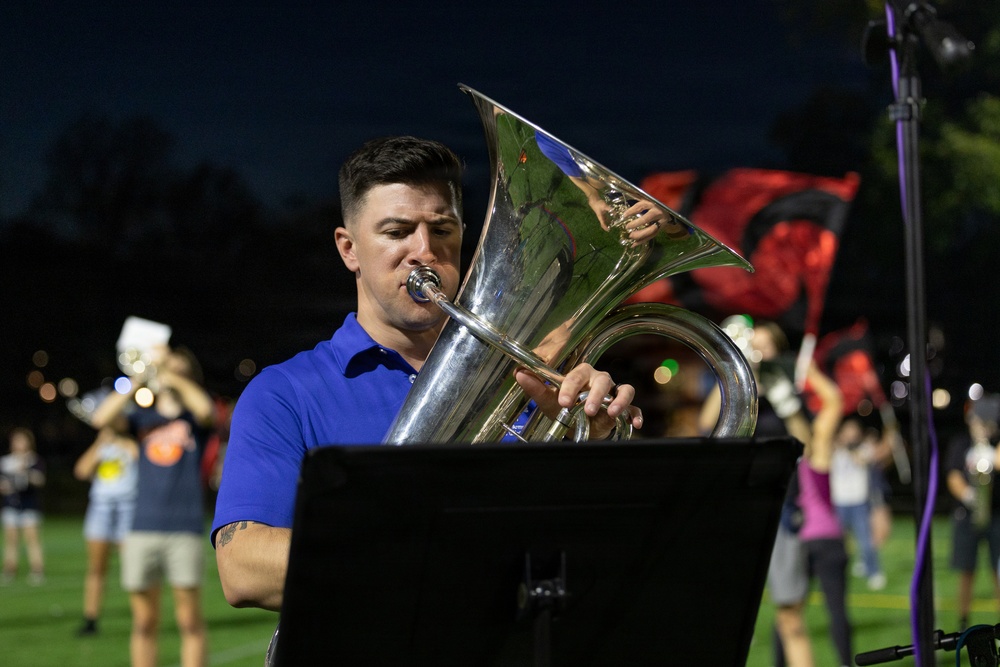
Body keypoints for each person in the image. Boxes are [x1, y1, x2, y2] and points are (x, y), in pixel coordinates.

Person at [212, 135, 644, 614]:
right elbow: (243, 568)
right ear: (349, 249)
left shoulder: (528, 385)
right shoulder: (284, 394)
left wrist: (595, 448)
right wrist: (431, 537)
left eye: (442, 230)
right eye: (397, 232)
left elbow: (598, 553)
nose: (424, 251)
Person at [91, 344, 215, 667]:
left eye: (174, 367)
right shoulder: (143, 418)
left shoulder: (193, 418)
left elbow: (206, 410)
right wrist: (137, 378)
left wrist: (173, 375)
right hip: (142, 528)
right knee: (144, 622)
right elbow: (100, 418)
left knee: (189, 620)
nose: (165, 372)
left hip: (183, 528)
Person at [73, 415, 139, 636]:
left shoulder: (132, 443)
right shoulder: (102, 445)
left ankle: (141, 618)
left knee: (132, 567)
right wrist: (100, 443)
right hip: (101, 508)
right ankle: (90, 619)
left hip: (128, 508)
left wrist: (120, 441)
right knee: (96, 568)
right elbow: (81, 471)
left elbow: (141, 458)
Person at [944, 393, 1000, 631]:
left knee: (998, 570)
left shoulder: (996, 443)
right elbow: (953, 475)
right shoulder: (961, 443)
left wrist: (989, 446)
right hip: (967, 516)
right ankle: (963, 620)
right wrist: (969, 496)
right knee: (967, 570)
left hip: (996, 515)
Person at [830, 417, 895, 591]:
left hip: (859, 503)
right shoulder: (834, 450)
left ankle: (874, 572)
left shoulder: (863, 448)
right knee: (837, 543)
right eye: (847, 430)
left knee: (866, 540)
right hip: (839, 504)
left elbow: (863, 459)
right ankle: (839, 573)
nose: (851, 434)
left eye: (854, 430)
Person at [1, 427, 46, 585]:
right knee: (11, 540)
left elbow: (40, 480)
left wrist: (26, 471)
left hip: (29, 505)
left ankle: (37, 570)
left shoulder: (34, 460)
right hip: (10, 504)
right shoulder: (6, 461)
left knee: (32, 539)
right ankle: (9, 569)